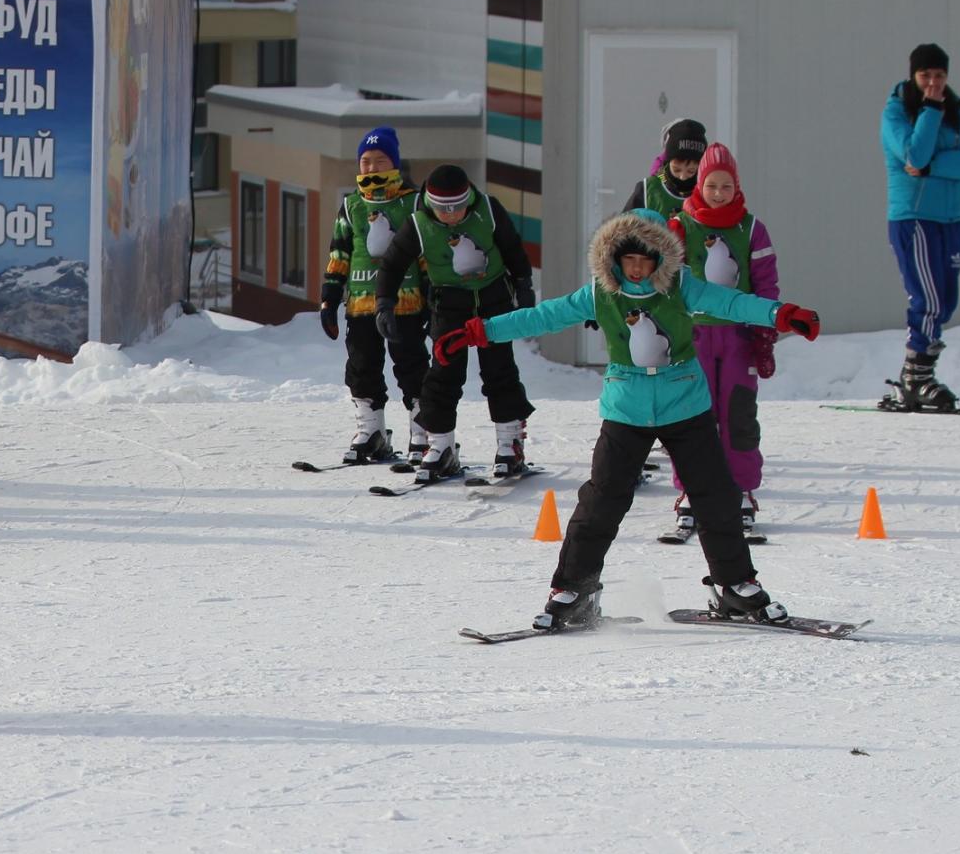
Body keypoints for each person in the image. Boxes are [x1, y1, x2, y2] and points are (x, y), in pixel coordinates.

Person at [435, 209, 821, 631]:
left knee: (715, 495)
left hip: (684, 404)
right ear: (613, 259)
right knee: (602, 499)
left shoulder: (681, 288)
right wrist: (480, 331)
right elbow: (543, 316)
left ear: (662, 259)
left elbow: (731, 301)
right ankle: (574, 590)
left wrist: (782, 314)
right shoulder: (601, 294)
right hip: (626, 409)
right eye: (628, 260)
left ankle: (735, 586)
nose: (637, 269)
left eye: (646, 260)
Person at [371, 163, 537, 482]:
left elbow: (514, 249)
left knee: (499, 370)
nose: (450, 215)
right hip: (449, 305)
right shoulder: (419, 223)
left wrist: (524, 287)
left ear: (469, 199)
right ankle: (441, 446)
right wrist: (384, 304)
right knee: (443, 376)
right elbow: (392, 265)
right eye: (442, 208)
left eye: (458, 206)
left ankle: (509, 443)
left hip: (493, 301)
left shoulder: (488, 209)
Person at [667, 142, 780, 535]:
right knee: (693, 418)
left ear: (736, 187)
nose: (718, 193)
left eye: (726, 186)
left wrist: (764, 333)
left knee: (738, 416)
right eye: (712, 185)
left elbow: (766, 282)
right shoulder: (680, 226)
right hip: (693, 337)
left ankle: (742, 489)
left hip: (737, 337)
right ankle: (691, 491)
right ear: (700, 184)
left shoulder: (751, 228)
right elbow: (664, 284)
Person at [881, 42, 960, 412]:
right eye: (926, 75)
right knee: (928, 299)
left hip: (951, 218)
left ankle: (921, 374)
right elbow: (913, 154)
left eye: (939, 76)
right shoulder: (898, 111)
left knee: (946, 301)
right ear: (914, 75)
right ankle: (916, 378)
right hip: (914, 217)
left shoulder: (957, 112)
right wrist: (930, 109)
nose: (933, 83)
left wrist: (931, 167)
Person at [319, 126, 428, 464]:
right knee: (362, 366)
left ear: (394, 163)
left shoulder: (413, 203)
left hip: (405, 302)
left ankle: (423, 432)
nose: (372, 168)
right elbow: (339, 256)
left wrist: (434, 297)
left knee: (411, 367)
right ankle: (371, 430)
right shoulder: (351, 206)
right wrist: (329, 299)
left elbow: (427, 255)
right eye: (366, 161)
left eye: (380, 161)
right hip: (361, 305)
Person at [624, 118, 708, 217]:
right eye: (676, 169)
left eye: (691, 171)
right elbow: (623, 226)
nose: (682, 176)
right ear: (668, 160)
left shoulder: (706, 192)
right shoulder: (649, 190)